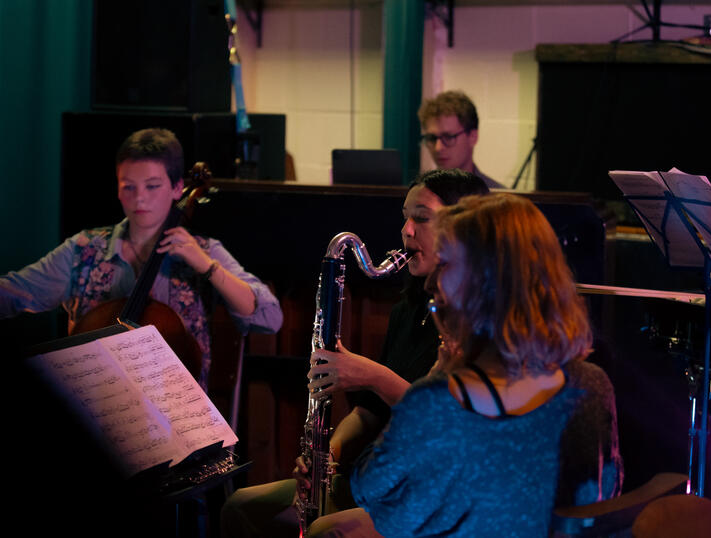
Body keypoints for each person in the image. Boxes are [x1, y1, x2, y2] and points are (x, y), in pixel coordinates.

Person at [220, 169, 490, 538]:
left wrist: (373, 376)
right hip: (378, 472)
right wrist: (326, 458)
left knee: (327, 531)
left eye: (422, 218)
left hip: (434, 487)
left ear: (465, 226)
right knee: (241, 508)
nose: (407, 231)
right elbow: (369, 412)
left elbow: (451, 421)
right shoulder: (410, 309)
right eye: (405, 218)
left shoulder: (486, 319)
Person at [350, 193, 621, 536]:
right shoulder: (590, 384)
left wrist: (437, 379)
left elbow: (371, 489)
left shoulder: (437, 400)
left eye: (445, 263)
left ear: (485, 281)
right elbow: (600, 498)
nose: (432, 282)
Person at [0, 128, 282, 390]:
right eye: (128, 187)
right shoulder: (83, 250)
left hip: (179, 420)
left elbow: (270, 318)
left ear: (176, 188)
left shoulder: (203, 251)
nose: (139, 199)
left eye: (152, 186)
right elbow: (15, 293)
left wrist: (208, 267)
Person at [418, 90, 505, 189]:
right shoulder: (418, 195)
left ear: (472, 137)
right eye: (432, 138)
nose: (438, 148)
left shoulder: (496, 197)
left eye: (448, 137)